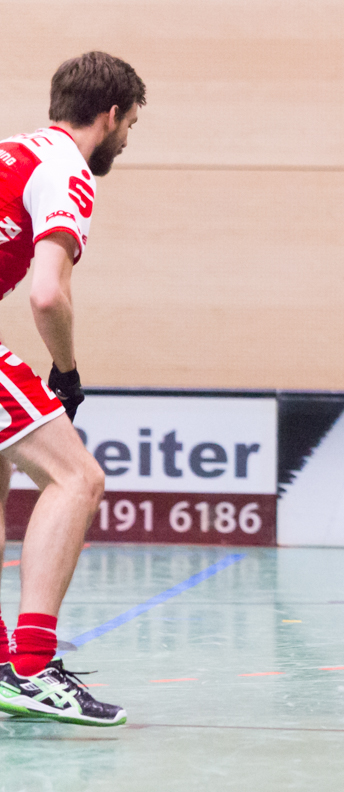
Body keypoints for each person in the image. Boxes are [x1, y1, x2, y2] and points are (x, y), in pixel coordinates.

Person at [0, 52, 145, 726]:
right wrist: (66, 371)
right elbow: (47, 292)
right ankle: (31, 667)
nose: (125, 141)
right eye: (130, 127)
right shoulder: (67, 169)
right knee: (78, 479)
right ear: (110, 114)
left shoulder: (12, 153)